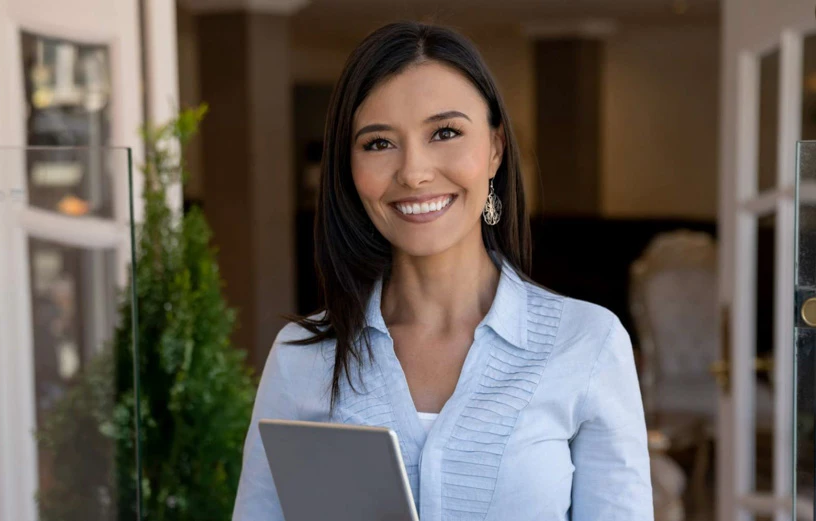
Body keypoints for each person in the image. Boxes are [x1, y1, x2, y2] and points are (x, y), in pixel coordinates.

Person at [233, 21, 652, 520]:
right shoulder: (303, 359)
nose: (413, 171)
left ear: (495, 149)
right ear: (349, 167)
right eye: (378, 143)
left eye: (445, 133)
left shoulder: (589, 343)